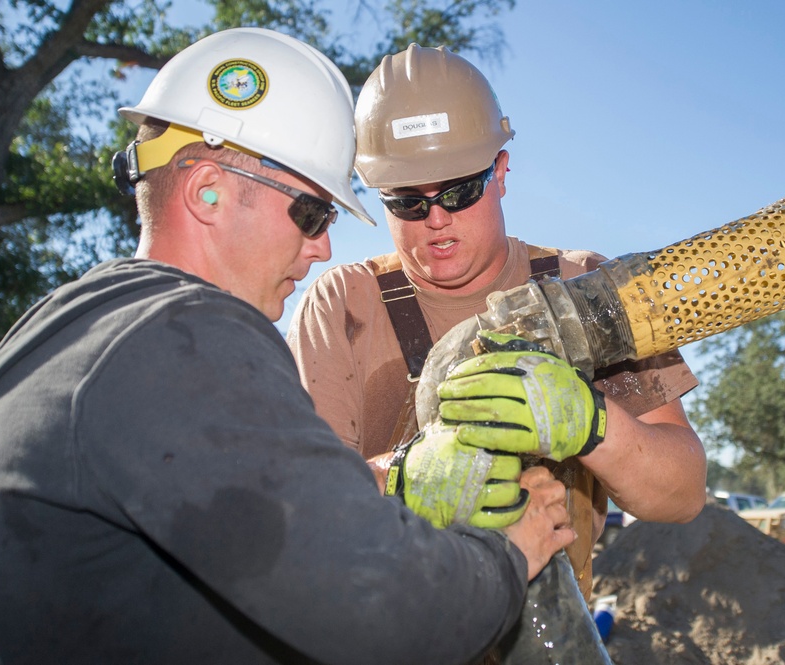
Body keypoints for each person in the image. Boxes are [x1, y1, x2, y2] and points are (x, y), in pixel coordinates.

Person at [0, 29, 577, 664]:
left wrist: (390, 477)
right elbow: (378, 610)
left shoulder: (46, 337)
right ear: (207, 191)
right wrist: (512, 551)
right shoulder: (190, 338)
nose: (323, 247)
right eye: (311, 214)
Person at [287, 43, 708, 601]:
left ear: (501, 172)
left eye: (460, 191)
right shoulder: (344, 303)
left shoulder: (586, 286)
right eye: (407, 201)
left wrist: (591, 424)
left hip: (553, 628)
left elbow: (682, 493)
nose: (436, 219)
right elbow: (305, 500)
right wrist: (405, 476)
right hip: (394, 626)